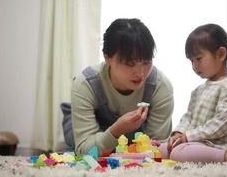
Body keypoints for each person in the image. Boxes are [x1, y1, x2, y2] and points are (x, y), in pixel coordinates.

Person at [71, 18, 174, 155]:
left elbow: (159, 148)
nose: (141, 73)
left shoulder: (160, 86)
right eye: (130, 64)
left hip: (132, 145)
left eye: (146, 62)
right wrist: (116, 130)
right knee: (68, 146)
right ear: (107, 58)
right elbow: (84, 150)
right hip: (92, 131)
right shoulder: (85, 85)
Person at [158, 23, 227, 166]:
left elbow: (223, 122)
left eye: (199, 59)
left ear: (221, 54)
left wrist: (189, 136)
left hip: (216, 146)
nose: (194, 66)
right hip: (193, 143)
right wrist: (178, 133)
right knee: (160, 150)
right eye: (191, 61)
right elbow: (188, 117)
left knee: (178, 153)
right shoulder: (198, 90)